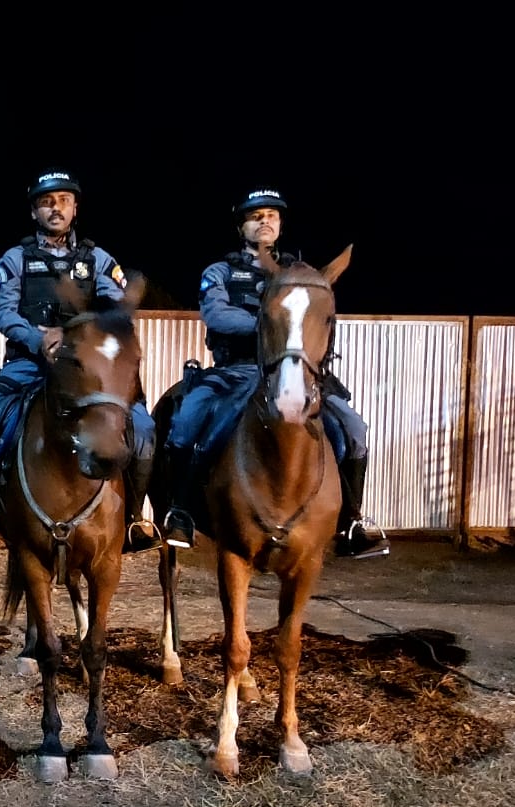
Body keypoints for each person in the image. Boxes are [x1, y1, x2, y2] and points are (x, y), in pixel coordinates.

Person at [157, 187, 390, 559]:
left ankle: (351, 521)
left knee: (354, 429)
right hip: (234, 371)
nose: (265, 221)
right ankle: (181, 510)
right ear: (241, 226)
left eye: (272, 215)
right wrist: (270, 324)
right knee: (186, 422)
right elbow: (216, 315)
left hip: (294, 373)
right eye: (256, 216)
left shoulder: (300, 275)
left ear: (280, 225)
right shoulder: (219, 272)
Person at [0, 168, 159, 553]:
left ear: (75, 207)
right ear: (34, 212)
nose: (55, 208)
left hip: (89, 371)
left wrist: (83, 336)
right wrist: (38, 337)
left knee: (143, 429)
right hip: (29, 364)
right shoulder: (14, 260)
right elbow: (3, 311)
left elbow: (116, 312)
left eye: (63, 200)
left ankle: (131, 521)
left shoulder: (99, 259)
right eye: (46, 202)